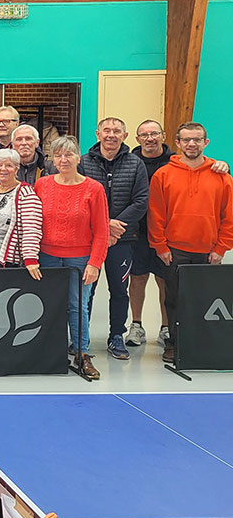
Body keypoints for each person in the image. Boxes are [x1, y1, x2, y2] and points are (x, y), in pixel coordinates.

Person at [148, 121, 233, 363]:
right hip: (174, 250)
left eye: (197, 139)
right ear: (177, 143)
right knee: (174, 299)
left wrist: (221, 248)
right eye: (186, 140)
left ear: (206, 142)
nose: (191, 144)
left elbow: (229, 216)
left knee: (205, 299)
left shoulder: (222, 176)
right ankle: (174, 343)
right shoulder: (163, 174)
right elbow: (155, 214)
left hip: (208, 251)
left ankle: (201, 343)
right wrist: (161, 246)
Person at [35, 136, 108, 378]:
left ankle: (81, 353)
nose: (63, 160)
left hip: (80, 259)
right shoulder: (42, 185)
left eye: (68, 155)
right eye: (58, 155)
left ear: (78, 158)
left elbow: (101, 230)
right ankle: (47, 351)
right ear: (52, 159)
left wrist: (95, 263)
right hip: (47, 257)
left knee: (78, 306)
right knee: (48, 305)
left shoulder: (93, 189)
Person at [79, 117, 148, 361]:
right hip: (89, 239)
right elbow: (77, 198)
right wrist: (103, 225)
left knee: (119, 290)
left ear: (125, 135)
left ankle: (116, 336)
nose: (111, 135)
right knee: (87, 289)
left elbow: (141, 201)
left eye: (116, 131)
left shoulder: (136, 163)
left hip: (123, 239)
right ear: (97, 133)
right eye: (106, 130)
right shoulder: (83, 163)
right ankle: (81, 338)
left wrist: (113, 227)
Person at [128, 119, 174, 348]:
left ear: (163, 136)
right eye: (144, 134)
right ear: (137, 139)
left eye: (154, 133)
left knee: (164, 280)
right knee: (137, 278)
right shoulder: (129, 161)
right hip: (138, 232)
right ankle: (136, 325)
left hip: (167, 233)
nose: (150, 138)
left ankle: (166, 328)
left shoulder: (175, 162)